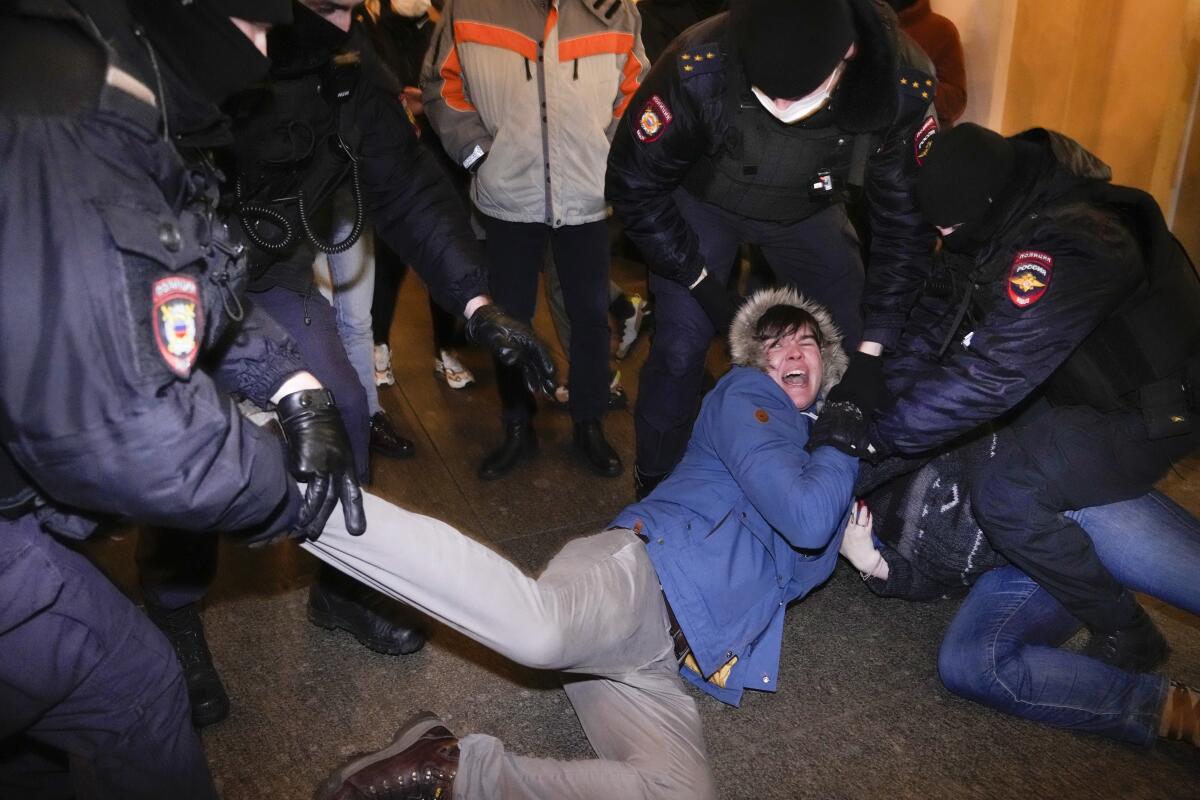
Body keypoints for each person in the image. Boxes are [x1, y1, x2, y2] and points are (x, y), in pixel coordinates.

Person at [135, 0, 560, 728]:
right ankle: (174, 614)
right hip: (181, 272)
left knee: (347, 408)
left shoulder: (347, 56)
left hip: (272, 271)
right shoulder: (208, 35)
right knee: (191, 443)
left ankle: (342, 583)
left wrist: (477, 301)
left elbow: (407, 186)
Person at [297, 288, 880, 799]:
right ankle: (302, 503)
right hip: (637, 577)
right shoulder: (747, 395)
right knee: (538, 632)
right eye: (777, 344)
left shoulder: (814, 458)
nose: (794, 353)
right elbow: (804, 520)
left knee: (678, 793)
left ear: (826, 365)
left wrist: (857, 550)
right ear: (757, 361)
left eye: (807, 344)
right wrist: (843, 434)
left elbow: (798, 552)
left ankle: (452, 767)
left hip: (661, 659)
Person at [0, 0, 366, 795]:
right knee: (131, 691)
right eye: (256, 24)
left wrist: (288, 382)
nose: (265, 53)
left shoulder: (94, 59)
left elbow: (179, 281)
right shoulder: (72, 121)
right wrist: (287, 496)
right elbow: (129, 432)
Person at [867, 123, 1200, 673]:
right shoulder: (988, 219)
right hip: (1074, 386)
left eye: (950, 225)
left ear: (988, 202)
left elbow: (993, 373)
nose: (945, 236)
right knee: (1019, 464)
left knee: (1008, 491)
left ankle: (1128, 632)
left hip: (1159, 407)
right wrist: (879, 403)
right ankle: (1072, 541)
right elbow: (934, 324)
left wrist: (877, 440)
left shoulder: (1084, 239)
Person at [605, 0, 939, 497]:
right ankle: (655, 478)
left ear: (847, 54)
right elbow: (633, 182)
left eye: (799, 96)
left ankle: (847, 476)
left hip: (809, 207)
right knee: (681, 346)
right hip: (702, 199)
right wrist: (700, 283)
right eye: (769, 95)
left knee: (854, 332)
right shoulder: (701, 64)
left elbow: (904, 226)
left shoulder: (899, 83)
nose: (782, 109)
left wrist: (874, 349)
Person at [840, 429, 1200, 750]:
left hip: (1064, 498)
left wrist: (839, 453)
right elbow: (939, 582)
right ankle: (1180, 712)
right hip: (1024, 565)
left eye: (798, 346)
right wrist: (876, 566)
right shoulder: (831, 501)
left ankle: (1124, 621)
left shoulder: (876, 412)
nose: (788, 354)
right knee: (970, 663)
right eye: (778, 351)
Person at [421, 0, 649, 480]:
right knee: (509, 317)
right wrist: (481, 154)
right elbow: (443, 84)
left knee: (589, 315)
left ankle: (589, 420)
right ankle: (517, 424)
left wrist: (606, 156)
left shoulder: (615, 11)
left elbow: (637, 89)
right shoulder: (471, 7)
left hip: (585, 193)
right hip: (508, 192)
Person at [888, 0, 965, 128]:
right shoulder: (864, 24)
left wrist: (910, 84)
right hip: (864, 134)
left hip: (918, 138)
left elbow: (955, 102)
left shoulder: (942, 30)